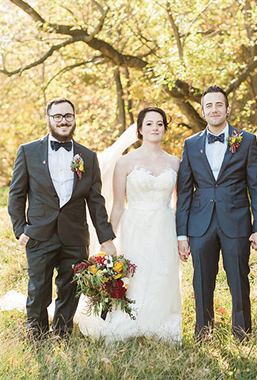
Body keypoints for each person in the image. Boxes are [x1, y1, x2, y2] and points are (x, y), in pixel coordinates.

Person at [7, 97, 116, 341]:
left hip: (75, 234)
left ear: (75, 119)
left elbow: (95, 200)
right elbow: (16, 194)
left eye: (68, 116)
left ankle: (62, 334)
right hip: (39, 233)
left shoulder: (88, 156)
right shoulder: (28, 151)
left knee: (70, 287)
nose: (63, 121)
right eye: (58, 116)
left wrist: (106, 237)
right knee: (38, 288)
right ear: (48, 120)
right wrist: (20, 229)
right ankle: (36, 334)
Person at [75, 107, 182, 342]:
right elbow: (118, 206)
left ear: (165, 128)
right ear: (140, 129)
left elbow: (178, 204)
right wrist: (108, 241)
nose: (155, 128)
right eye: (150, 124)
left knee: (163, 272)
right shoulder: (125, 163)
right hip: (134, 226)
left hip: (165, 225)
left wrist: (181, 237)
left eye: (160, 124)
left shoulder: (176, 163)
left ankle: (162, 323)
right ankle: (131, 321)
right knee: (136, 273)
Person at [176, 85, 257, 341]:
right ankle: (203, 333)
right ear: (203, 111)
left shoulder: (247, 140)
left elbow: (256, 186)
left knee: (239, 279)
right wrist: (181, 234)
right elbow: (183, 192)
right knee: (202, 280)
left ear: (227, 109)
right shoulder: (191, 144)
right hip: (200, 224)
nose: (214, 109)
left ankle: (242, 335)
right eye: (209, 105)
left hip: (236, 222)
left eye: (219, 105)